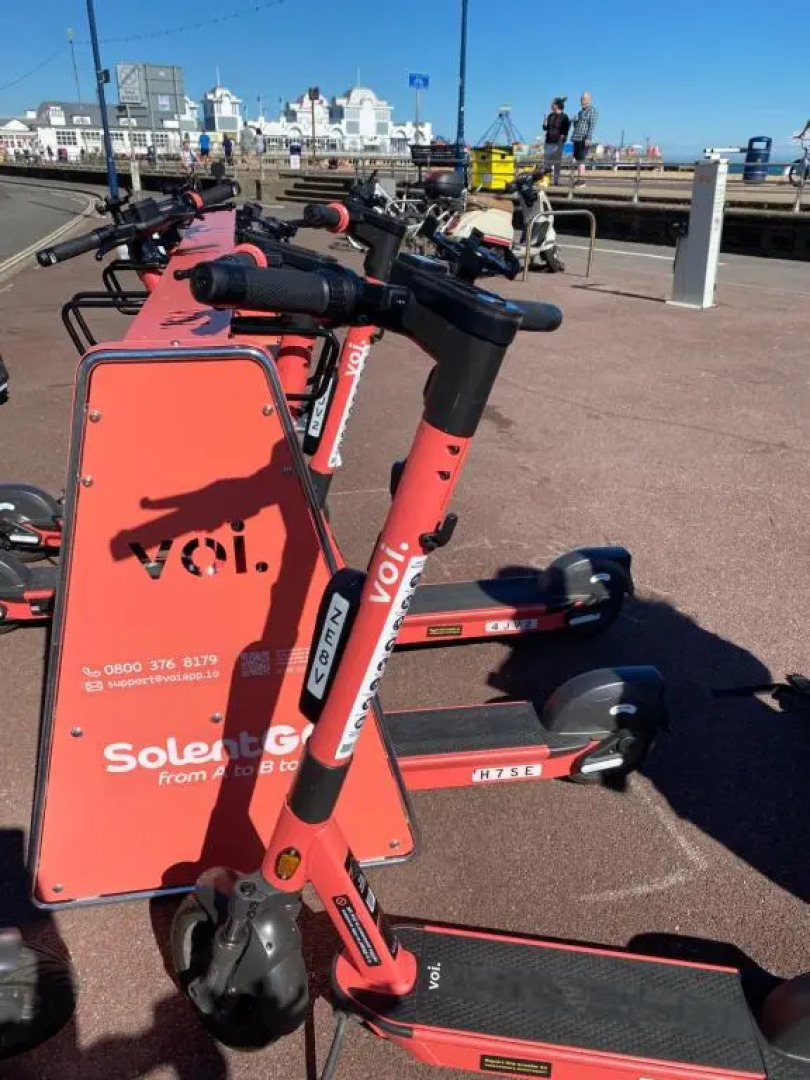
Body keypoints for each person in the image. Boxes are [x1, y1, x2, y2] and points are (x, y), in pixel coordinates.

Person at [571, 91, 598, 186]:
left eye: (583, 98)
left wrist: (588, 138)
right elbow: (576, 126)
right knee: (578, 159)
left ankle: (582, 180)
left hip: (584, 138)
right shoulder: (580, 112)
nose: (581, 100)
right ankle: (579, 179)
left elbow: (592, 125)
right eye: (581, 98)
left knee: (581, 159)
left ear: (589, 100)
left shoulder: (592, 111)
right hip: (576, 138)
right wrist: (574, 121)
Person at [542, 96, 570, 185]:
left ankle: (556, 181)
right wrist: (545, 119)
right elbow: (545, 128)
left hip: (558, 143)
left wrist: (562, 139)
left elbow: (566, 130)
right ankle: (546, 180)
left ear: (557, 105)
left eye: (552, 104)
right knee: (547, 162)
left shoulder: (564, 117)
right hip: (548, 142)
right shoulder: (550, 116)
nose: (551, 105)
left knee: (557, 163)